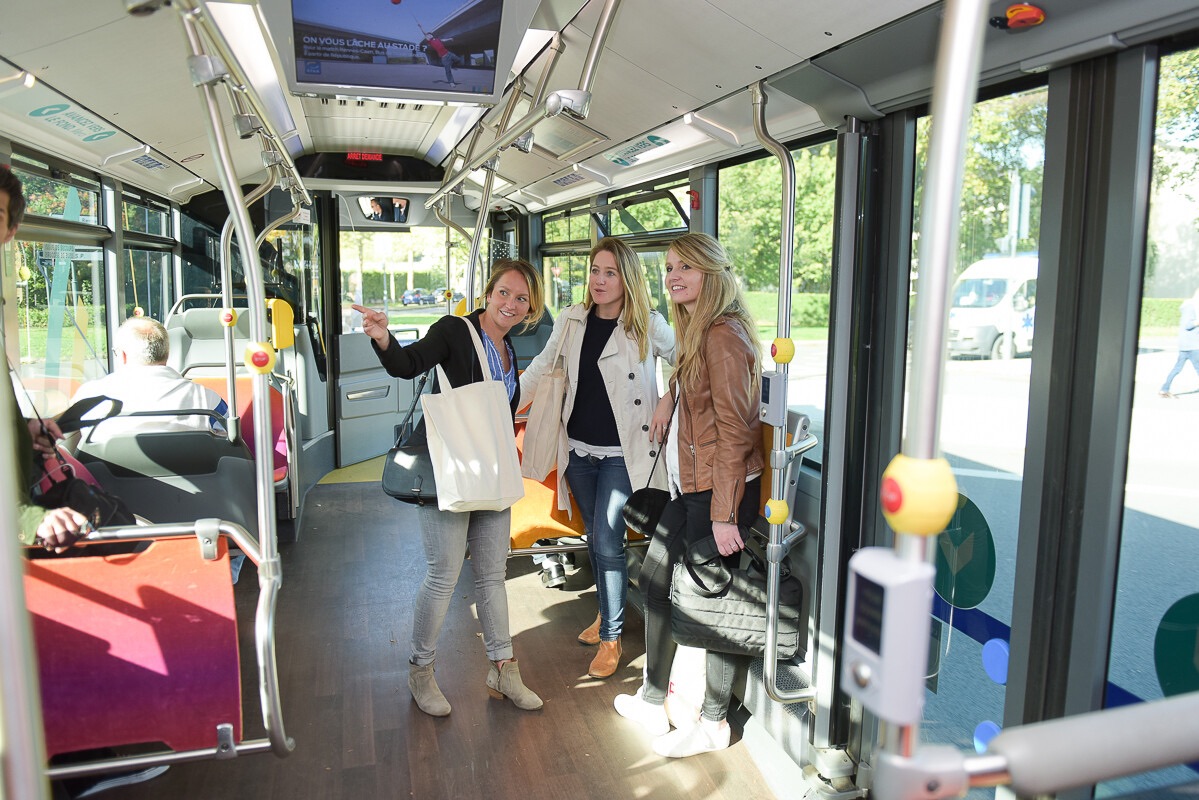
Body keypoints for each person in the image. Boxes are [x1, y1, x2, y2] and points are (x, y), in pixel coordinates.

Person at [352, 259, 546, 716]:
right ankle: (421, 671)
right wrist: (383, 335)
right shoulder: (455, 330)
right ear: (488, 292)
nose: (511, 304)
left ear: (531, 306)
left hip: (493, 471)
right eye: (504, 293)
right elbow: (408, 364)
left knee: (492, 575)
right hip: (449, 470)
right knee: (444, 576)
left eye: (522, 299)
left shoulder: (509, 345)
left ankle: (504, 668)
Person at [613, 232, 764, 758]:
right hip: (692, 487)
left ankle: (714, 724)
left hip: (720, 496)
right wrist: (669, 396)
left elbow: (735, 432)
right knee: (655, 578)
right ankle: (655, 700)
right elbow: (693, 381)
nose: (673, 276)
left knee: (712, 601)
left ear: (712, 275)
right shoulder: (698, 330)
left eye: (686, 268)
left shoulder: (723, 335)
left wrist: (724, 516)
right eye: (670, 267)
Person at [519, 238, 675, 679]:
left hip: (622, 455)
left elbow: (690, 360)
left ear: (627, 278)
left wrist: (668, 398)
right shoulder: (572, 320)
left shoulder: (647, 323)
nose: (600, 280)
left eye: (610, 272)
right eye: (594, 271)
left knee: (607, 541)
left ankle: (612, 637)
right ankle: (608, 612)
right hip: (578, 450)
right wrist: (507, 404)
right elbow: (542, 368)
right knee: (595, 536)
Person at [69, 317, 229, 443]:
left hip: (108, 483)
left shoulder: (88, 396)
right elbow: (229, 444)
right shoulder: (208, 400)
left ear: (123, 355)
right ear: (167, 353)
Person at [1160, 288, 1199, 398]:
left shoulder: (1188, 307)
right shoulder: (1191, 307)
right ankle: (1164, 389)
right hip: (1193, 346)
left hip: (1185, 346)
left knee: (1177, 369)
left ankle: (1164, 389)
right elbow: (1188, 325)